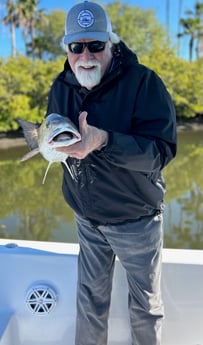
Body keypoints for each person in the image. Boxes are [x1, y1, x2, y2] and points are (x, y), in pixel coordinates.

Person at [46, 1, 177, 344]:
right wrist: (50, 147)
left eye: (95, 45)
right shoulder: (60, 88)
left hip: (137, 220)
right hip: (87, 219)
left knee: (145, 307)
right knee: (89, 303)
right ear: (68, 49)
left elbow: (160, 152)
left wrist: (104, 140)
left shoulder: (145, 83)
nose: (85, 55)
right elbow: (51, 132)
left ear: (111, 44)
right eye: (76, 46)